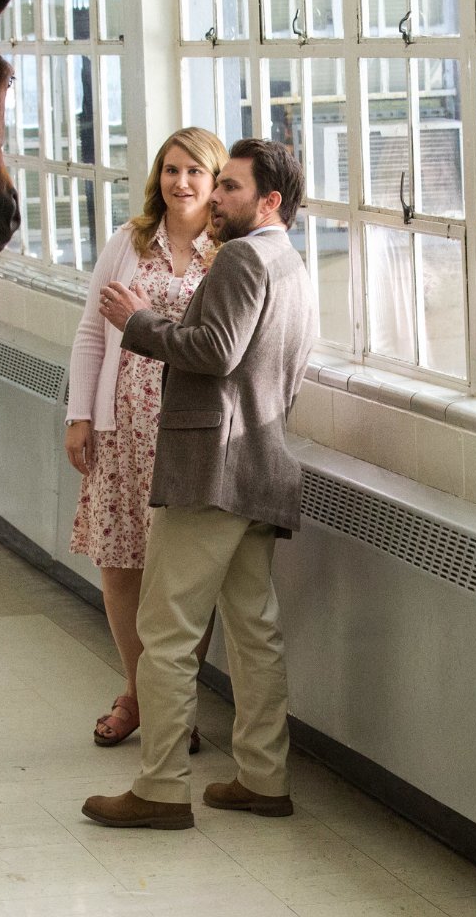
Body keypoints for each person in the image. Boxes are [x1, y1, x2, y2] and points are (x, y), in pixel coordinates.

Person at [81, 138, 317, 830]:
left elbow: (215, 351)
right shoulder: (292, 263)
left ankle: (159, 789)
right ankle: (263, 778)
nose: (214, 197)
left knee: (166, 629)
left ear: (268, 201)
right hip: (259, 464)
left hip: (210, 469)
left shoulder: (244, 257)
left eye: (231, 188)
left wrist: (138, 323)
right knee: (253, 631)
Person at [65, 127, 228, 751]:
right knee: (122, 565)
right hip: (121, 430)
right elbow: (88, 333)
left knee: (181, 577)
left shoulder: (227, 254)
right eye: (170, 169)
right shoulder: (129, 244)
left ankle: (174, 707)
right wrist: (80, 415)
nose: (180, 182)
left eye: (195, 171)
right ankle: (137, 694)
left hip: (188, 436)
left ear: (214, 184)